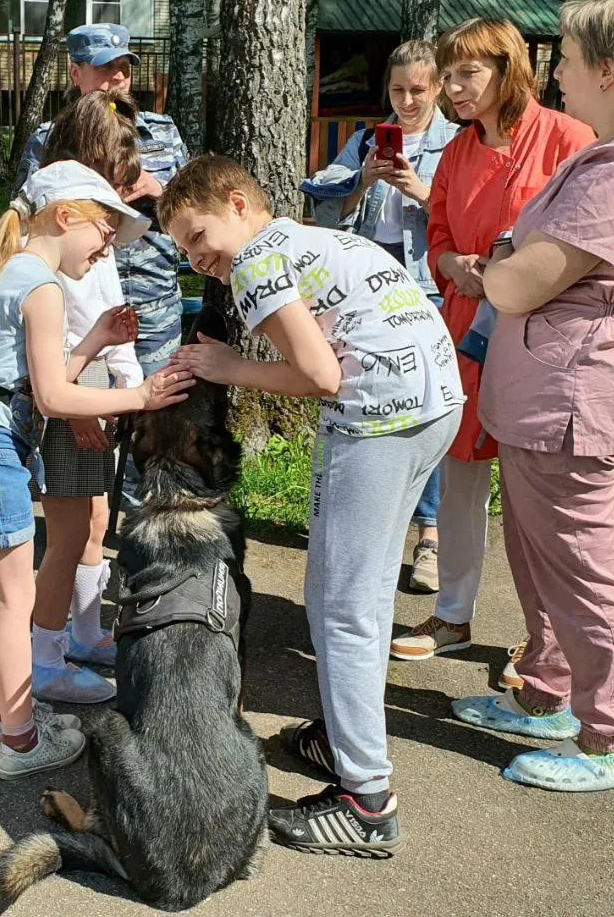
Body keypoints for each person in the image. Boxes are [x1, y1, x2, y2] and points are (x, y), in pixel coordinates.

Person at [161, 154, 464, 856]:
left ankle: (366, 801)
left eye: (197, 234)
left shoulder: (256, 264)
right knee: (360, 589)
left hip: (377, 422)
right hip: (432, 406)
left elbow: (320, 375)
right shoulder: (321, 237)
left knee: (341, 606)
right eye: (183, 249)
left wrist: (227, 368)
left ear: (238, 202)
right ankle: (343, 733)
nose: (197, 256)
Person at [452, 0, 614, 792]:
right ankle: (551, 694)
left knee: (582, 568)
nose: (555, 73)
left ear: (612, 68)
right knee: (540, 552)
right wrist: (511, 257)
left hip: (573, 395)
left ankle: (606, 737)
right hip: (551, 391)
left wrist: (504, 265)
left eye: (568, 56)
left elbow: (522, 284)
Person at [0, 161, 193, 781]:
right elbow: (55, 398)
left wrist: (94, 339)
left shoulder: (16, 271)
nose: (107, 248)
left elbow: (43, 378)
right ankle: (20, 741)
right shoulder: (40, 284)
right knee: (13, 602)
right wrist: (142, 397)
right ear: (66, 217)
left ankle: (3, 715)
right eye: (104, 231)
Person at [389, 19, 595, 678]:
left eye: (466, 74)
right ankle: (452, 615)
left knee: (539, 499)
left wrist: (517, 270)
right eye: (447, 75)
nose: (452, 88)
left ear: (509, 70)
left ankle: (549, 647)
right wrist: (453, 267)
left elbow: (589, 240)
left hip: (543, 343)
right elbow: (439, 236)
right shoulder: (455, 152)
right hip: (467, 335)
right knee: (461, 477)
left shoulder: (568, 139)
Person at [302, 40, 459, 593]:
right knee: (370, 402)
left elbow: (471, 216)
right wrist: (365, 178)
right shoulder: (368, 139)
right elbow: (322, 203)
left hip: (429, 287)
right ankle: (379, 524)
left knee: (427, 404)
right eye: (398, 90)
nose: (408, 101)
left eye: (419, 89)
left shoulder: (457, 142)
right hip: (371, 288)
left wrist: (422, 192)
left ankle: (432, 534)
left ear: (439, 87)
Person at [15, 23, 189, 511]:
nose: (116, 76)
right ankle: (86, 524)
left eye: (123, 66)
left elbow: (196, 210)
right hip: (80, 305)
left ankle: (139, 529)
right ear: (76, 73)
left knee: (154, 416)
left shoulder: (163, 131)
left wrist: (159, 191)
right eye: (103, 67)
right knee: (86, 427)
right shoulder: (50, 139)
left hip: (152, 300)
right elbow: (33, 218)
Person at [27, 91, 145, 704]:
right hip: (71, 389)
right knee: (70, 534)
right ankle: (45, 659)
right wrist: (88, 403)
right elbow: (70, 331)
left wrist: (122, 380)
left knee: (94, 521)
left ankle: (84, 631)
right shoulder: (62, 238)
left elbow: (107, 313)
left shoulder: (87, 230)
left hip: (89, 385)